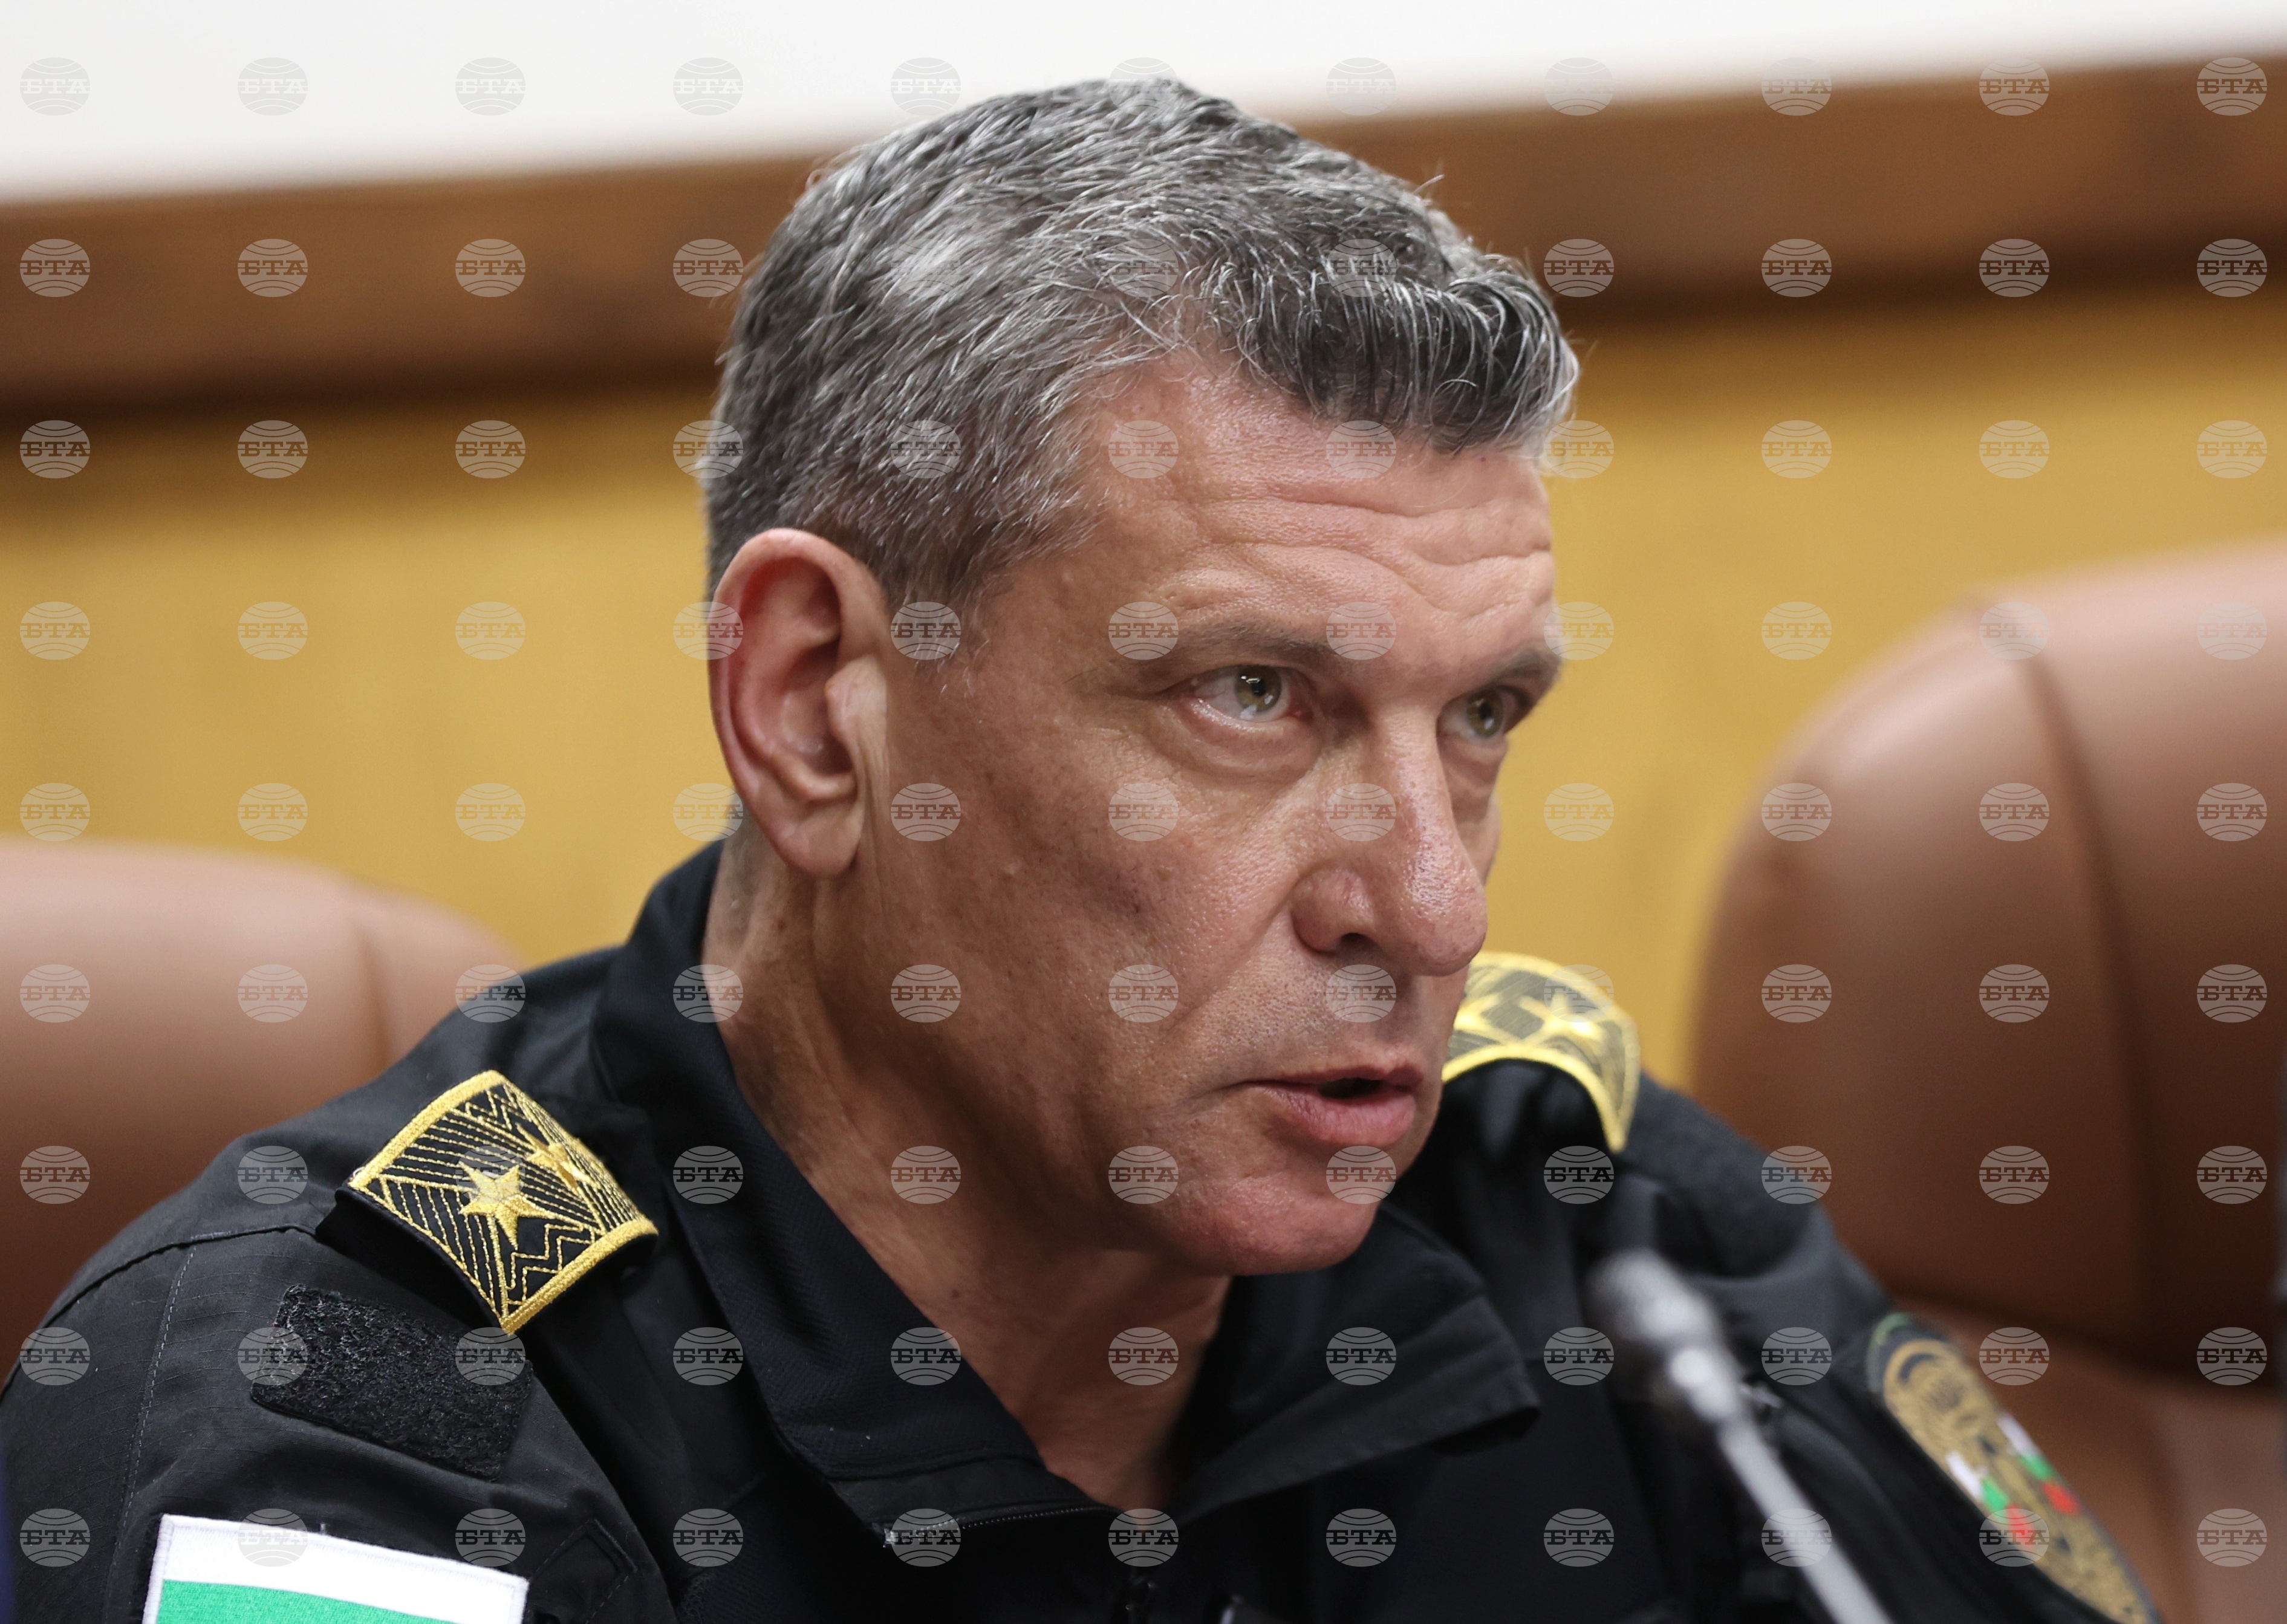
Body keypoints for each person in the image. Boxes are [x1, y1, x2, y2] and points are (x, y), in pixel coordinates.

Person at [4, 79, 2153, 1624]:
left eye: (1483, 717)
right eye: (1254, 697)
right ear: (815, 706)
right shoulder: (366, 1421)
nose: (1430, 906)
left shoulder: (1594, 1235)